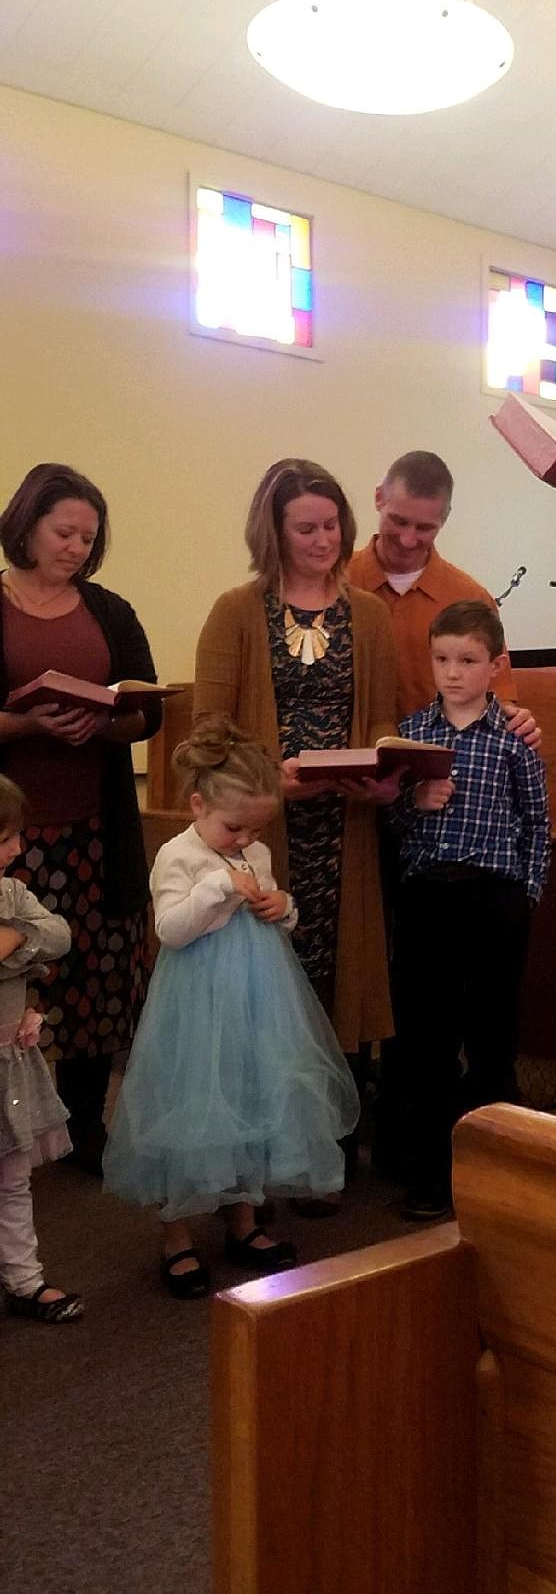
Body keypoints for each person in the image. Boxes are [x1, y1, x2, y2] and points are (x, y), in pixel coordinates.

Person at [104, 719, 362, 1297]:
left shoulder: (254, 851)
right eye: (233, 827)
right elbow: (171, 930)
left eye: (256, 828)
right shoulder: (178, 855)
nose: (245, 838)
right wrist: (218, 888)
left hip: (256, 997)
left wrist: (281, 905)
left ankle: (244, 1222)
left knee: (251, 1094)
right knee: (191, 1100)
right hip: (194, 999)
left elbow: (274, 913)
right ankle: (176, 1236)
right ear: (198, 804)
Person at [194, 459, 400, 1060]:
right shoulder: (235, 610)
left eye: (332, 525)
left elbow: (382, 717)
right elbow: (208, 733)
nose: (323, 540)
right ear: (274, 532)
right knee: (267, 978)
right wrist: (270, 780)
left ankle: (331, 1124)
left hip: (344, 827)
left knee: (337, 968)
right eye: (306, 528)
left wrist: (383, 767)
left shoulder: (369, 613)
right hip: (263, 825)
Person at [0, 464, 162, 1171]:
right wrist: (27, 722)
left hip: (96, 828)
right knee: (16, 975)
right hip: (12, 833)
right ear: (27, 524)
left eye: (88, 538)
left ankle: (86, 1130)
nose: (75, 548)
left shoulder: (109, 610)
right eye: (64, 532)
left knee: (96, 976)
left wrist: (97, 725)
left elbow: (147, 708)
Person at [388, 600, 550, 1221]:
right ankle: (430, 1176)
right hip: (428, 898)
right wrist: (415, 803)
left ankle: (498, 1176)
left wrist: (527, 893)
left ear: (495, 665)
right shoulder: (411, 735)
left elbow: (537, 822)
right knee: (425, 1039)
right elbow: (392, 821)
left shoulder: (513, 738)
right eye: (441, 659)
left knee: (492, 1036)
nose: (453, 673)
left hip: (494, 899)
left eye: (468, 660)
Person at [347, 449, 539, 738]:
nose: (408, 539)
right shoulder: (334, 582)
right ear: (378, 498)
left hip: (440, 770)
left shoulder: (470, 597)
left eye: (425, 528)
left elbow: (496, 699)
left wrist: (516, 720)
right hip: (347, 766)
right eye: (398, 521)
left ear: (445, 519)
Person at [0, 773, 82, 1322]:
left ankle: (24, 1280)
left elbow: (58, 933)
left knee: (11, 1180)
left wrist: (17, 941)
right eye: (4, 837)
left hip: (7, 1064)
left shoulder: (9, 893)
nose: (16, 848)